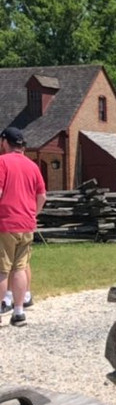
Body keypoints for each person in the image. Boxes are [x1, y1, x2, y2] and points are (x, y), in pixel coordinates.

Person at [0, 127, 46, 327]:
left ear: (4, 141)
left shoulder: (2, 162)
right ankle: (18, 312)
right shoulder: (33, 166)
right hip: (26, 224)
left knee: (2, 268)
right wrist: (32, 214)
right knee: (19, 267)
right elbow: (42, 196)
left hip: (6, 222)